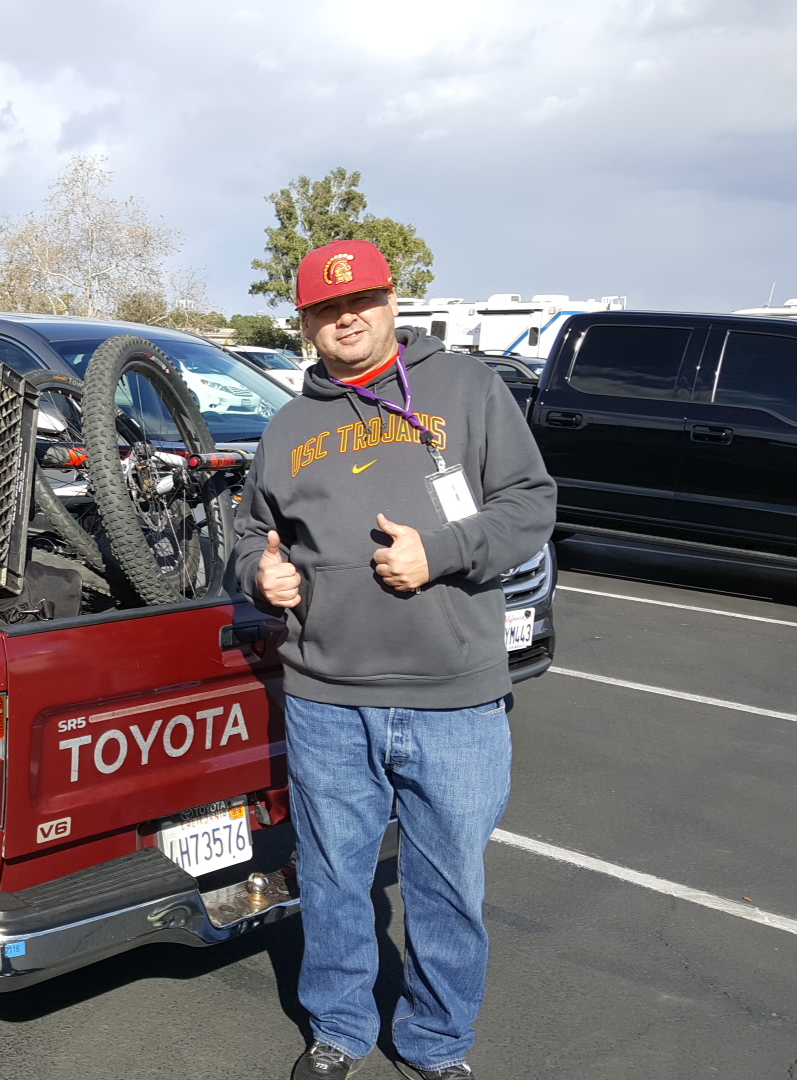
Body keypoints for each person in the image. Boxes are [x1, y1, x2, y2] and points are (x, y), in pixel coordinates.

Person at [230, 241, 555, 1079]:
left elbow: (531, 503)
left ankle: (437, 1044)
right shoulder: (288, 427)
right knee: (335, 879)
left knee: (449, 889)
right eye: (327, 308)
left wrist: (442, 553)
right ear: (305, 323)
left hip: (455, 698)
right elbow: (247, 533)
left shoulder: (467, 389)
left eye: (362, 301)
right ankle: (339, 1029)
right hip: (327, 698)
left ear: (391, 301)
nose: (347, 318)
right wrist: (260, 573)